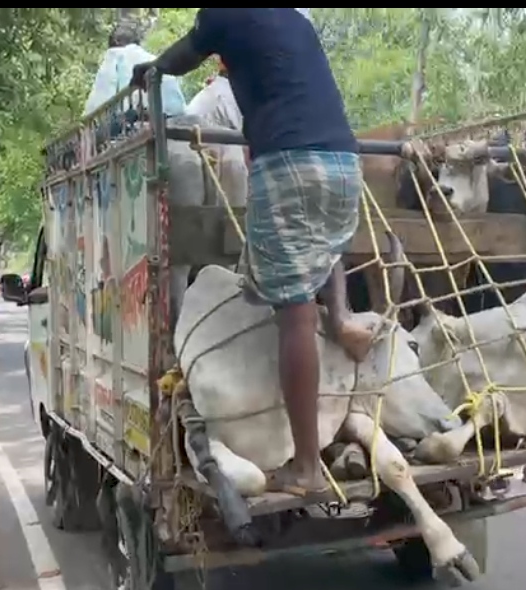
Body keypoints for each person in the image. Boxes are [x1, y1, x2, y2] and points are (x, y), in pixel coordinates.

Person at [131, 8, 372, 496]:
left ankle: (307, 467)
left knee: (294, 312)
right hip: (345, 163)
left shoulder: (223, 13)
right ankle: (343, 317)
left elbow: (178, 59)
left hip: (288, 164)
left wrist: (149, 70)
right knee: (322, 245)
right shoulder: (294, 18)